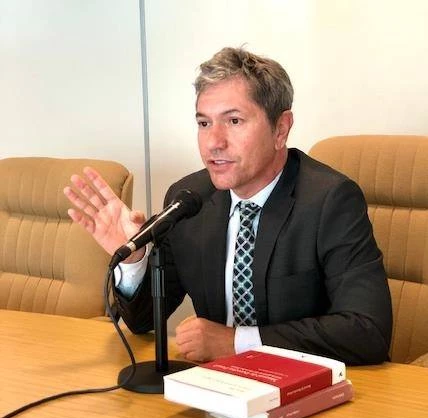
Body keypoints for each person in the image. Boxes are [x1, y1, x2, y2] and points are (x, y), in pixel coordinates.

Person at [64, 47, 392, 365]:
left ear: (280, 129)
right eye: (204, 123)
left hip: (310, 388)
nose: (214, 142)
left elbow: (367, 331)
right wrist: (133, 260)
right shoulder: (189, 199)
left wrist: (236, 342)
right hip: (218, 386)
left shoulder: (330, 200)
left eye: (234, 121)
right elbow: (143, 321)